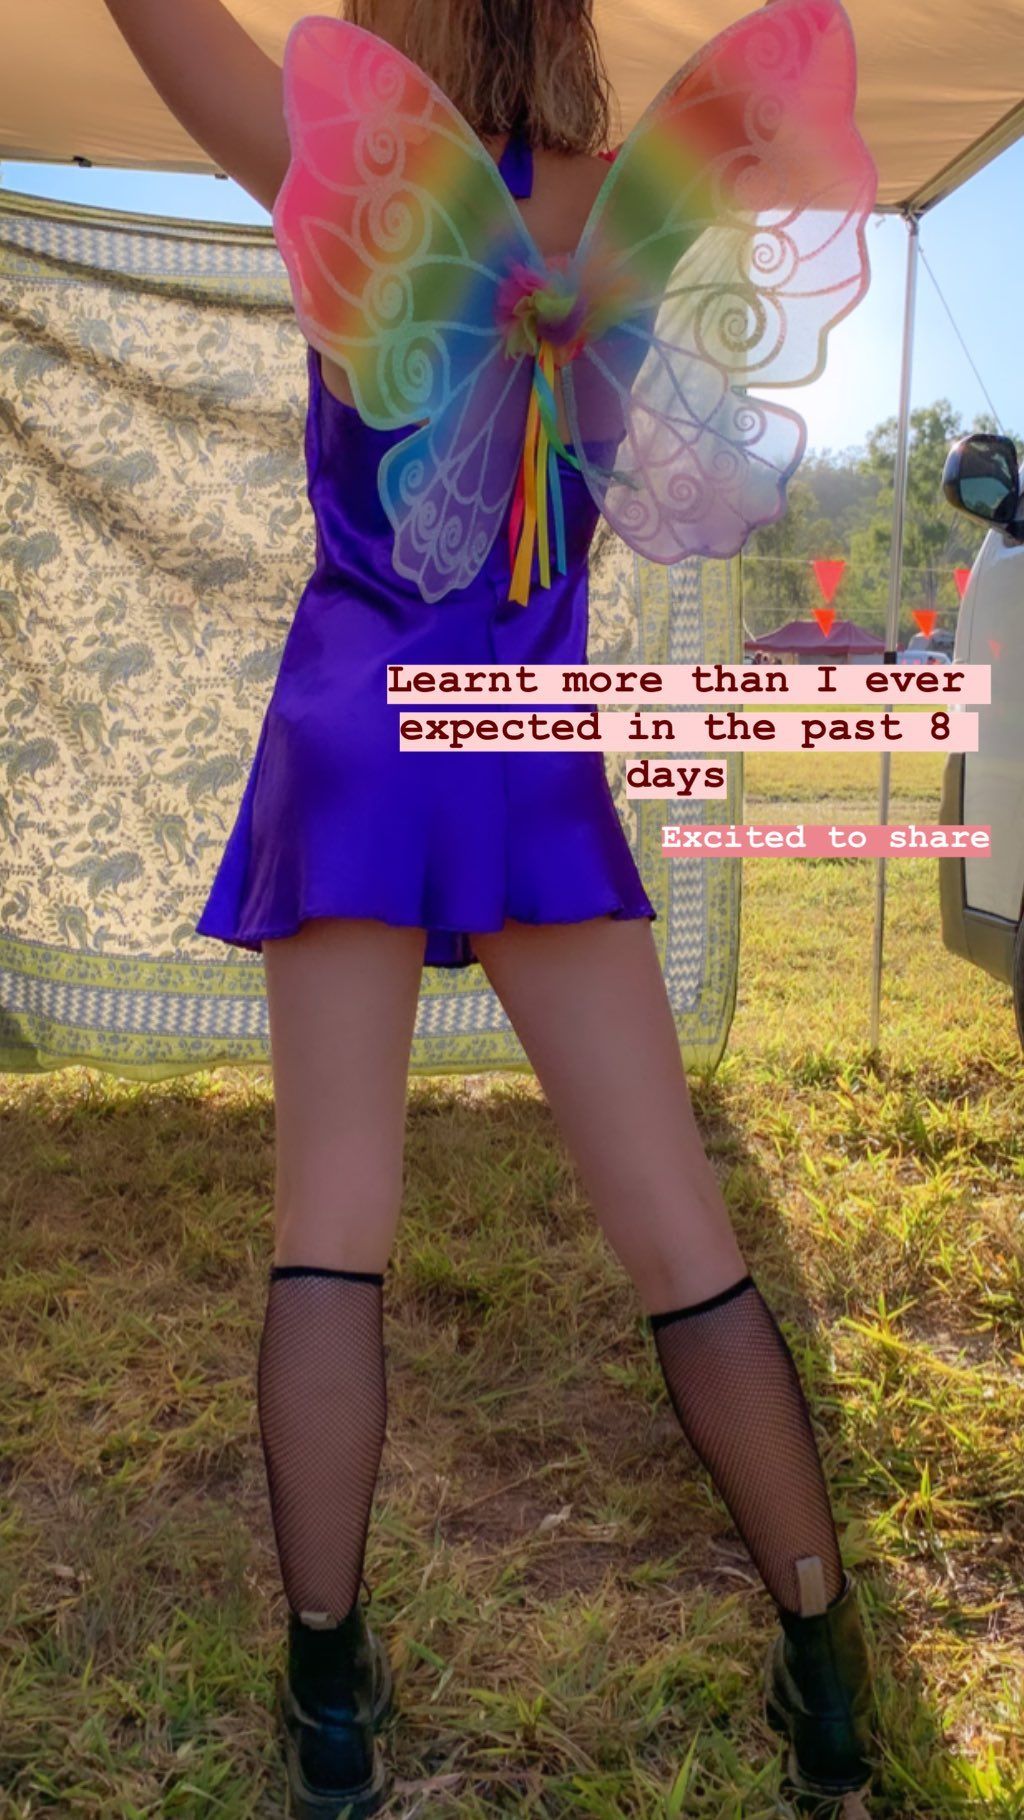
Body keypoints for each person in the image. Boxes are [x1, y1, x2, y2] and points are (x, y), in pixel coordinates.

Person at [101, 3, 879, 1816]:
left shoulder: (343, 163)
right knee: (685, 1243)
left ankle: (332, 1716)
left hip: (354, 733)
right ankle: (829, 1686)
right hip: (521, 731)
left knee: (330, 1232)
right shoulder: (628, 205)